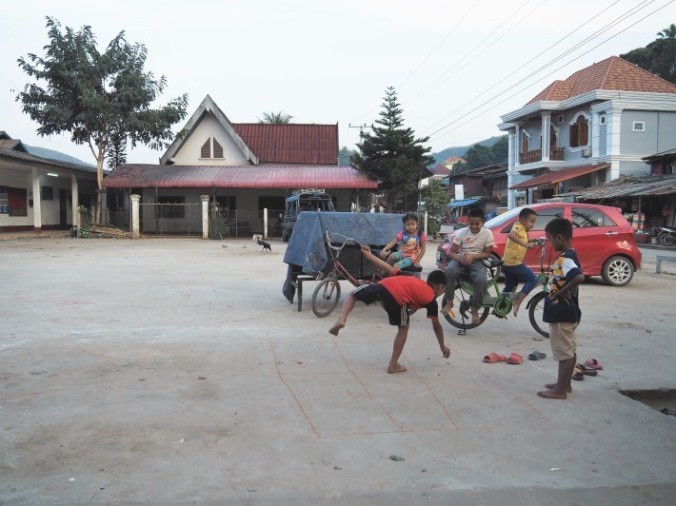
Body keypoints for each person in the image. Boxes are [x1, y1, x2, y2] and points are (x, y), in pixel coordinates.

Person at [329, 245, 450, 374]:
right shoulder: (431, 301)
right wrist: (443, 346)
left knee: (353, 294)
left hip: (384, 287)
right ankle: (393, 365)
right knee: (403, 328)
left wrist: (369, 256)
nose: (442, 293)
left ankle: (342, 319)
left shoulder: (413, 279)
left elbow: (387, 268)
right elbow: (437, 327)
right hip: (398, 300)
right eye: (443, 290)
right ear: (439, 287)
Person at [537, 218, 584, 400]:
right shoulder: (570, 254)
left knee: (564, 352)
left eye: (549, 239)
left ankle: (560, 391)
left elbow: (579, 277)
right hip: (566, 310)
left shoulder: (565, 258)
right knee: (569, 350)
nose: (549, 243)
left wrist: (561, 292)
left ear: (559, 237)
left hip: (562, 312)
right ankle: (564, 384)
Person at [441, 208, 495, 324]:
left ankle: (475, 310)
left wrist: (473, 257)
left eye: (477, 224)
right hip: (461, 259)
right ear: (468, 222)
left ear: (483, 223)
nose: (474, 226)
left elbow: (487, 253)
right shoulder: (462, 233)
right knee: (449, 270)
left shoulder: (487, 233)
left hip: (477, 261)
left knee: (481, 280)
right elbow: (451, 252)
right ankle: (449, 301)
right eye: (471, 224)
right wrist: (460, 258)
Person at [502, 208, 539, 317]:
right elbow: (511, 235)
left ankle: (500, 306)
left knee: (511, 285)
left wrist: (534, 241)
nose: (532, 225)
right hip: (513, 262)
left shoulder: (524, 231)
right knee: (533, 279)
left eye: (534, 222)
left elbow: (524, 242)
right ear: (522, 220)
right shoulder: (517, 226)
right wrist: (526, 244)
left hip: (509, 262)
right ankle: (517, 301)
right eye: (531, 222)